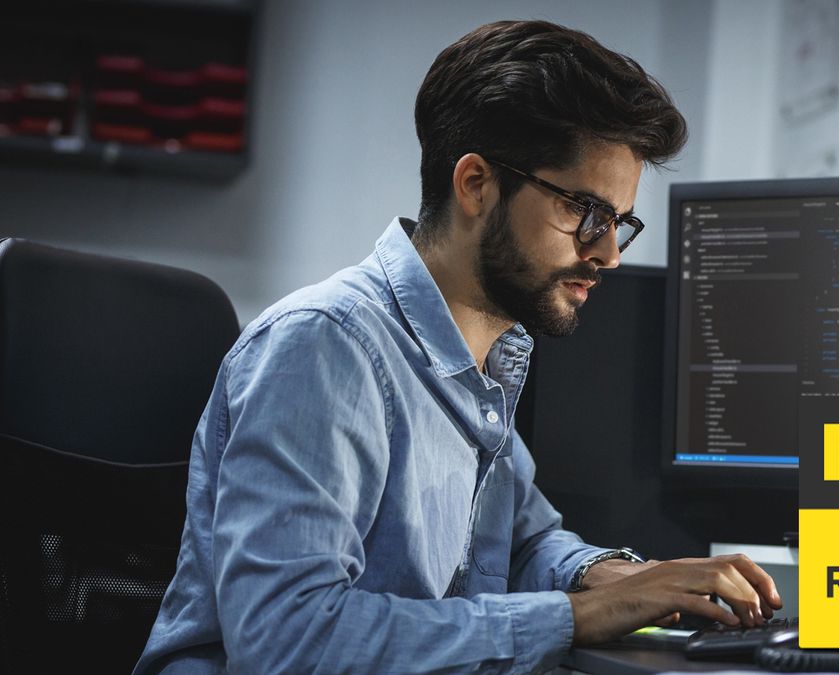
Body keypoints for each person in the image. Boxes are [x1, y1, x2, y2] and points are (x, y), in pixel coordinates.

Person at [134, 19, 782, 674]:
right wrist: (575, 615)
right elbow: (288, 639)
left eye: (619, 222)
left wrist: (621, 577)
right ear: (476, 184)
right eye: (586, 211)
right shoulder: (325, 348)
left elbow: (523, 543)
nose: (608, 252)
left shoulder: (487, 354)